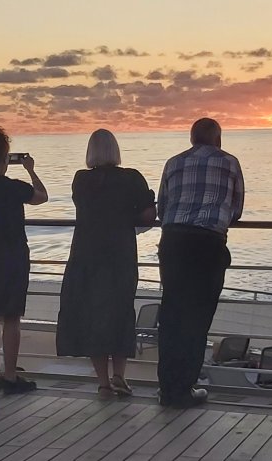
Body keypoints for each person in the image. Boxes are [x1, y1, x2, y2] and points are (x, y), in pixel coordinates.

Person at [57, 129, 155, 398]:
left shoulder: (81, 180)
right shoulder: (131, 178)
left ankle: (103, 382)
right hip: (119, 254)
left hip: (85, 254)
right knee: (121, 312)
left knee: (92, 314)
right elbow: (148, 214)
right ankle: (119, 376)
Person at [155, 118, 244, 408]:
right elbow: (236, 210)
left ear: (192, 139)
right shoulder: (229, 162)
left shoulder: (174, 162)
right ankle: (184, 388)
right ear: (218, 139)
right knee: (198, 317)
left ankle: (167, 387)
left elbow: (162, 207)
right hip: (207, 243)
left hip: (173, 241)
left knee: (172, 315)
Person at [0, 127, 48, 394]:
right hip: (13, 255)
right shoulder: (13, 187)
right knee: (12, 317)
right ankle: (11, 375)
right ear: (6, 155)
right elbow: (42, 196)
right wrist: (31, 170)